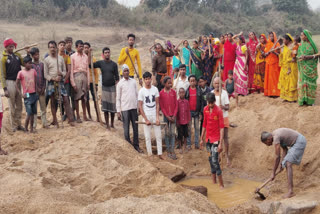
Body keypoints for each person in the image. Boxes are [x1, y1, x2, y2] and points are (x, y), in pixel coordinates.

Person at [259, 128, 307, 198]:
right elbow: (285, 149)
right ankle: (290, 191)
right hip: (296, 143)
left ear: (269, 139)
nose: (268, 145)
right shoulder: (276, 136)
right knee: (286, 163)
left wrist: (273, 173)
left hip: (299, 142)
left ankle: (291, 192)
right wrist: (281, 164)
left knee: (288, 163)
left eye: (266, 143)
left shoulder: (276, 137)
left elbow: (277, 156)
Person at [44, 40, 74, 127]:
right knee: (53, 101)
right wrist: (53, 78)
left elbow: (65, 71)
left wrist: (62, 75)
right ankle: (55, 120)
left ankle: (70, 119)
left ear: (56, 48)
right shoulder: (46, 60)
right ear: (49, 48)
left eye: (54, 47)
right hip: (51, 83)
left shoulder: (60, 58)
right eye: (51, 47)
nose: (52, 49)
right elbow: (45, 74)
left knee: (65, 100)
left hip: (61, 82)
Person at [89, 47, 119, 129]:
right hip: (104, 88)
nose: (107, 54)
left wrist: (116, 89)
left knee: (112, 107)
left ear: (110, 53)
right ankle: (108, 125)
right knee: (106, 107)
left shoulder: (114, 64)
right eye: (105, 52)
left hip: (112, 88)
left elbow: (117, 78)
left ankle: (112, 123)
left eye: (108, 52)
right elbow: (90, 65)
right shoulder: (101, 63)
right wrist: (89, 54)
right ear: (103, 54)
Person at [0, 38, 26, 132]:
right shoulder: (3, 59)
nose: (12, 48)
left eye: (13, 46)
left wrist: (27, 53)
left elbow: (24, 63)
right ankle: (13, 126)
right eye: (10, 46)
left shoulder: (17, 55)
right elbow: (2, 75)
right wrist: (5, 88)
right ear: (6, 47)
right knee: (12, 105)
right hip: (9, 82)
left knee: (19, 104)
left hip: (18, 82)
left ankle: (19, 124)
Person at [116, 64, 142, 153]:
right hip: (125, 109)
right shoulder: (120, 84)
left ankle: (136, 146)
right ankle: (128, 148)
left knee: (135, 128)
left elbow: (137, 95)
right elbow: (118, 98)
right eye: (125, 71)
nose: (126, 72)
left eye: (127, 71)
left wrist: (138, 107)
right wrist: (118, 111)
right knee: (126, 128)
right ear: (122, 72)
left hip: (134, 108)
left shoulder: (133, 81)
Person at [200, 93, 224, 187]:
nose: (210, 104)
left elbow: (222, 127)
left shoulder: (219, 111)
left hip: (216, 139)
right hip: (208, 139)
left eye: (211, 103)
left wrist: (220, 143)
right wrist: (201, 138)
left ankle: (221, 184)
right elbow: (204, 124)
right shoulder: (205, 109)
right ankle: (214, 182)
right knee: (210, 159)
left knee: (215, 160)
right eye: (208, 103)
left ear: (214, 101)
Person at [138, 71, 163, 159]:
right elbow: (140, 106)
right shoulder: (141, 91)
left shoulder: (155, 89)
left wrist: (157, 118)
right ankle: (150, 154)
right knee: (147, 137)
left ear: (151, 79)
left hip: (154, 114)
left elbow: (157, 104)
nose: (148, 81)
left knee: (158, 135)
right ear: (144, 80)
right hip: (146, 115)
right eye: (146, 79)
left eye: (149, 79)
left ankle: (160, 153)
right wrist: (146, 119)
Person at [16, 56, 37, 133]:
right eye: (28, 63)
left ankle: (31, 129)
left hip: (34, 94)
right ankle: (25, 128)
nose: (30, 64)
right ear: (24, 64)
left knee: (33, 113)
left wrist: (37, 90)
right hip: (27, 95)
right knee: (28, 113)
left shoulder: (33, 71)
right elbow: (16, 84)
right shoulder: (20, 73)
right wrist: (21, 94)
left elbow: (36, 81)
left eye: (31, 63)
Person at [212, 77, 230, 166]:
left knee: (225, 138)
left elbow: (228, 107)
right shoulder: (211, 93)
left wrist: (222, 107)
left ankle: (227, 156)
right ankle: (217, 155)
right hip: (215, 119)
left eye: (218, 83)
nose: (217, 85)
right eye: (215, 83)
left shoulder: (224, 93)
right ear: (213, 84)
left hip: (224, 117)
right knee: (216, 138)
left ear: (221, 84)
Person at [297, 30, 318, 106]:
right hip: (303, 68)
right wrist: (299, 57)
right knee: (302, 83)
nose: (301, 37)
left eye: (302, 35)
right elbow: (299, 54)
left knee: (310, 84)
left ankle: (310, 101)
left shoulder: (313, 45)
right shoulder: (301, 45)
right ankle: (303, 100)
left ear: (306, 36)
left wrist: (308, 57)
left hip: (311, 68)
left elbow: (318, 54)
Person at [70, 40, 90, 123]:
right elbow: (71, 70)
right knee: (76, 98)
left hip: (84, 76)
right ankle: (78, 116)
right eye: (80, 46)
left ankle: (85, 115)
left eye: (82, 46)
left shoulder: (86, 56)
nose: (81, 48)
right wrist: (73, 83)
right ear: (76, 47)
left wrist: (88, 82)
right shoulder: (73, 56)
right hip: (76, 76)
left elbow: (88, 70)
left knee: (84, 98)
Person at [159, 76, 178, 160]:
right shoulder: (161, 93)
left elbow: (176, 104)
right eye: (168, 82)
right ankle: (168, 150)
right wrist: (167, 116)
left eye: (171, 82)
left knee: (172, 133)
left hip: (173, 116)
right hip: (166, 116)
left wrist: (174, 115)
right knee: (167, 133)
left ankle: (172, 150)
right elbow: (162, 106)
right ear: (164, 83)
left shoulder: (173, 92)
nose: (170, 84)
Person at [30, 48, 48, 129]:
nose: (37, 56)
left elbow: (44, 76)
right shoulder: (31, 65)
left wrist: (44, 86)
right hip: (34, 90)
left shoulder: (41, 64)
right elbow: (31, 78)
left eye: (38, 54)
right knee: (34, 108)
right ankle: (34, 125)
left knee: (43, 107)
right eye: (35, 55)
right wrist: (36, 88)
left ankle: (44, 123)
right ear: (32, 56)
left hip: (42, 89)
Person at [278, 34, 298, 102]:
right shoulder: (284, 47)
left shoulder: (293, 47)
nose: (283, 41)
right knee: (285, 81)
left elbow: (294, 57)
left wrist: (290, 60)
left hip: (291, 66)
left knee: (291, 81)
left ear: (288, 40)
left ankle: (292, 98)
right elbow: (282, 56)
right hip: (284, 67)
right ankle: (286, 97)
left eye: (284, 39)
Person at [185, 75, 203, 150]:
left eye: (193, 81)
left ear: (195, 82)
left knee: (197, 128)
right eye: (191, 81)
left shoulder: (199, 90)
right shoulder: (187, 91)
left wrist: (201, 113)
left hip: (196, 112)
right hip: (189, 112)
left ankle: (196, 144)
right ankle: (189, 144)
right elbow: (185, 102)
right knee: (189, 128)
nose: (192, 82)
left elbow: (201, 102)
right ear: (189, 82)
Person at [58, 40, 74, 120]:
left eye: (63, 45)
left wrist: (65, 79)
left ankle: (68, 114)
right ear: (58, 46)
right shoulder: (55, 57)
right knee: (59, 99)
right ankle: (62, 113)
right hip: (57, 81)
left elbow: (69, 70)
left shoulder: (67, 57)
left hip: (66, 81)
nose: (62, 46)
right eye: (61, 45)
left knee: (66, 98)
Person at [84, 42, 100, 121]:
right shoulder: (83, 58)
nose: (86, 49)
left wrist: (96, 84)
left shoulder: (93, 59)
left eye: (87, 47)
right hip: (85, 82)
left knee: (95, 99)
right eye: (84, 47)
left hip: (92, 82)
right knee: (86, 99)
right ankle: (89, 115)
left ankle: (98, 116)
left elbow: (96, 73)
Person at [264, 32, 281, 97]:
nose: (271, 37)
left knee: (275, 77)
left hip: (275, 63)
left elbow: (279, 54)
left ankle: (275, 93)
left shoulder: (277, 44)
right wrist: (267, 53)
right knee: (269, 78)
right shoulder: (268, 44)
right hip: (268, 63)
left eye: (272, 36)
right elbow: (265, 53)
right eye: (270, 36)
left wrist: (273, 52)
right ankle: (269, 92)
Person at [176, 87, 190, 154]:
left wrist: (188, 121)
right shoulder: (177, 102)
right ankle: (180, 147)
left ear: (184, 93)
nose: (182, 94)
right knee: (179, 135)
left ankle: (185, 146)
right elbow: (176, 112)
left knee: (185, 134)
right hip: (179, 121)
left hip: (185, 121)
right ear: (178, 93)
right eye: (180, 92)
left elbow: (188, 112)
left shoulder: (187, 102)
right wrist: (177, 121)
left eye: (183, 92)